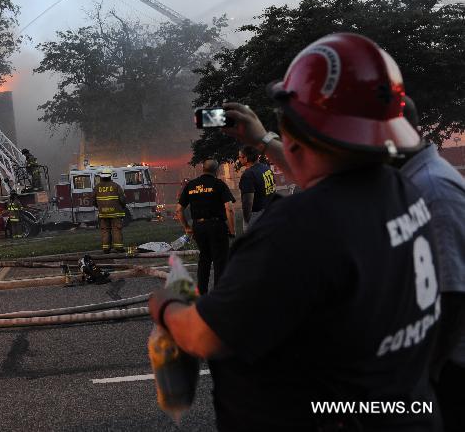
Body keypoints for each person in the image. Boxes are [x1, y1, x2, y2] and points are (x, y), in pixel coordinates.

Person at [150, 33, 437, 430]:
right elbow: (326, 175)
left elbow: (205, 336)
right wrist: (263, 139)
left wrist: (165, 307)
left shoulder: (296, 231)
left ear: (295, 127)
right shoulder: (402, 189)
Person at [397, 96, 465, 430]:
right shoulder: (412, 179)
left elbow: (454, 294)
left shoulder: (433, 188)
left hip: (452, 365)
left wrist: (429, 374)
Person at [176, 160, 235, 293]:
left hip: (198, 227)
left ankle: (201, 292)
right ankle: (219, 294)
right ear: (217, 170)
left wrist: (187, 227)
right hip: (216, 226)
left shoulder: (191, 185)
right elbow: (229, 208)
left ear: (202, 169)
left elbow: (179, 210)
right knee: (220, 261)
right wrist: (232, 230)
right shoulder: (219, 184)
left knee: (204, 260)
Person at [237, 145, 275, 233]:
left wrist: (247, 220)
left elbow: (248, 201)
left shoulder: (248, 175)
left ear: (245, 158)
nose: (239, 159)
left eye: (239, 157)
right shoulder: (266, 168)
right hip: (269, 210)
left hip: (256, 214)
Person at [93, 167, 127, 253]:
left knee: (105, 230)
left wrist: (100, 207)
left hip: (103, 213)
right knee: (116, 229)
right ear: (110, 176)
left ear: (102, 177)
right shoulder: (116, 186)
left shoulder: (97, 187)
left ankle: (106, 249)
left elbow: (93, 201)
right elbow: (122, 199)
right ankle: (119, 248)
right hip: (116, 213)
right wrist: (122, 206)